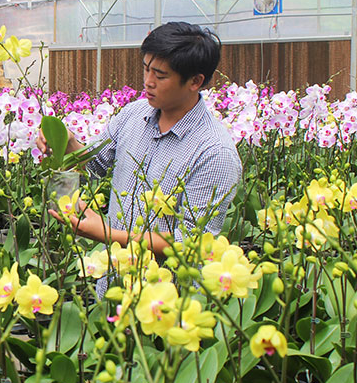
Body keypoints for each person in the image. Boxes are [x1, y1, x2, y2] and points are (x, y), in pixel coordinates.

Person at [42, 22, 242, 296]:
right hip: (113, 285)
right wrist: (66, 142)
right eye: (146, 68)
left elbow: (191, 243)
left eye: (160, 75)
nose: (148, 81)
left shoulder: (215, 152)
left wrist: (108, 235)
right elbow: (96, 164)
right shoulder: (134, 115)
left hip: (167, 300)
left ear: (195, 81)